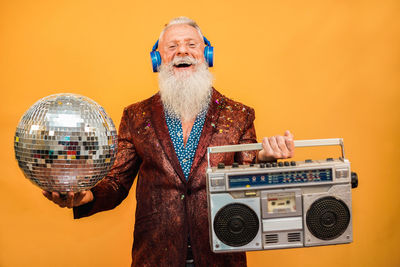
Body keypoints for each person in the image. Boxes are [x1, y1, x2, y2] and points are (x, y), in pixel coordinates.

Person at [43, 17, 294, 267]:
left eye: (191, 45)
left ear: (206, 55)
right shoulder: (136, 116)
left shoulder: (239, 115)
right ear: (158, 59)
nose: (182, 51)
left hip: (221, 256)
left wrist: (264, 160)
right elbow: (116, 182)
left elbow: (249, 186)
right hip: (155, 257)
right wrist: (86, 195)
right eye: (172, 46)